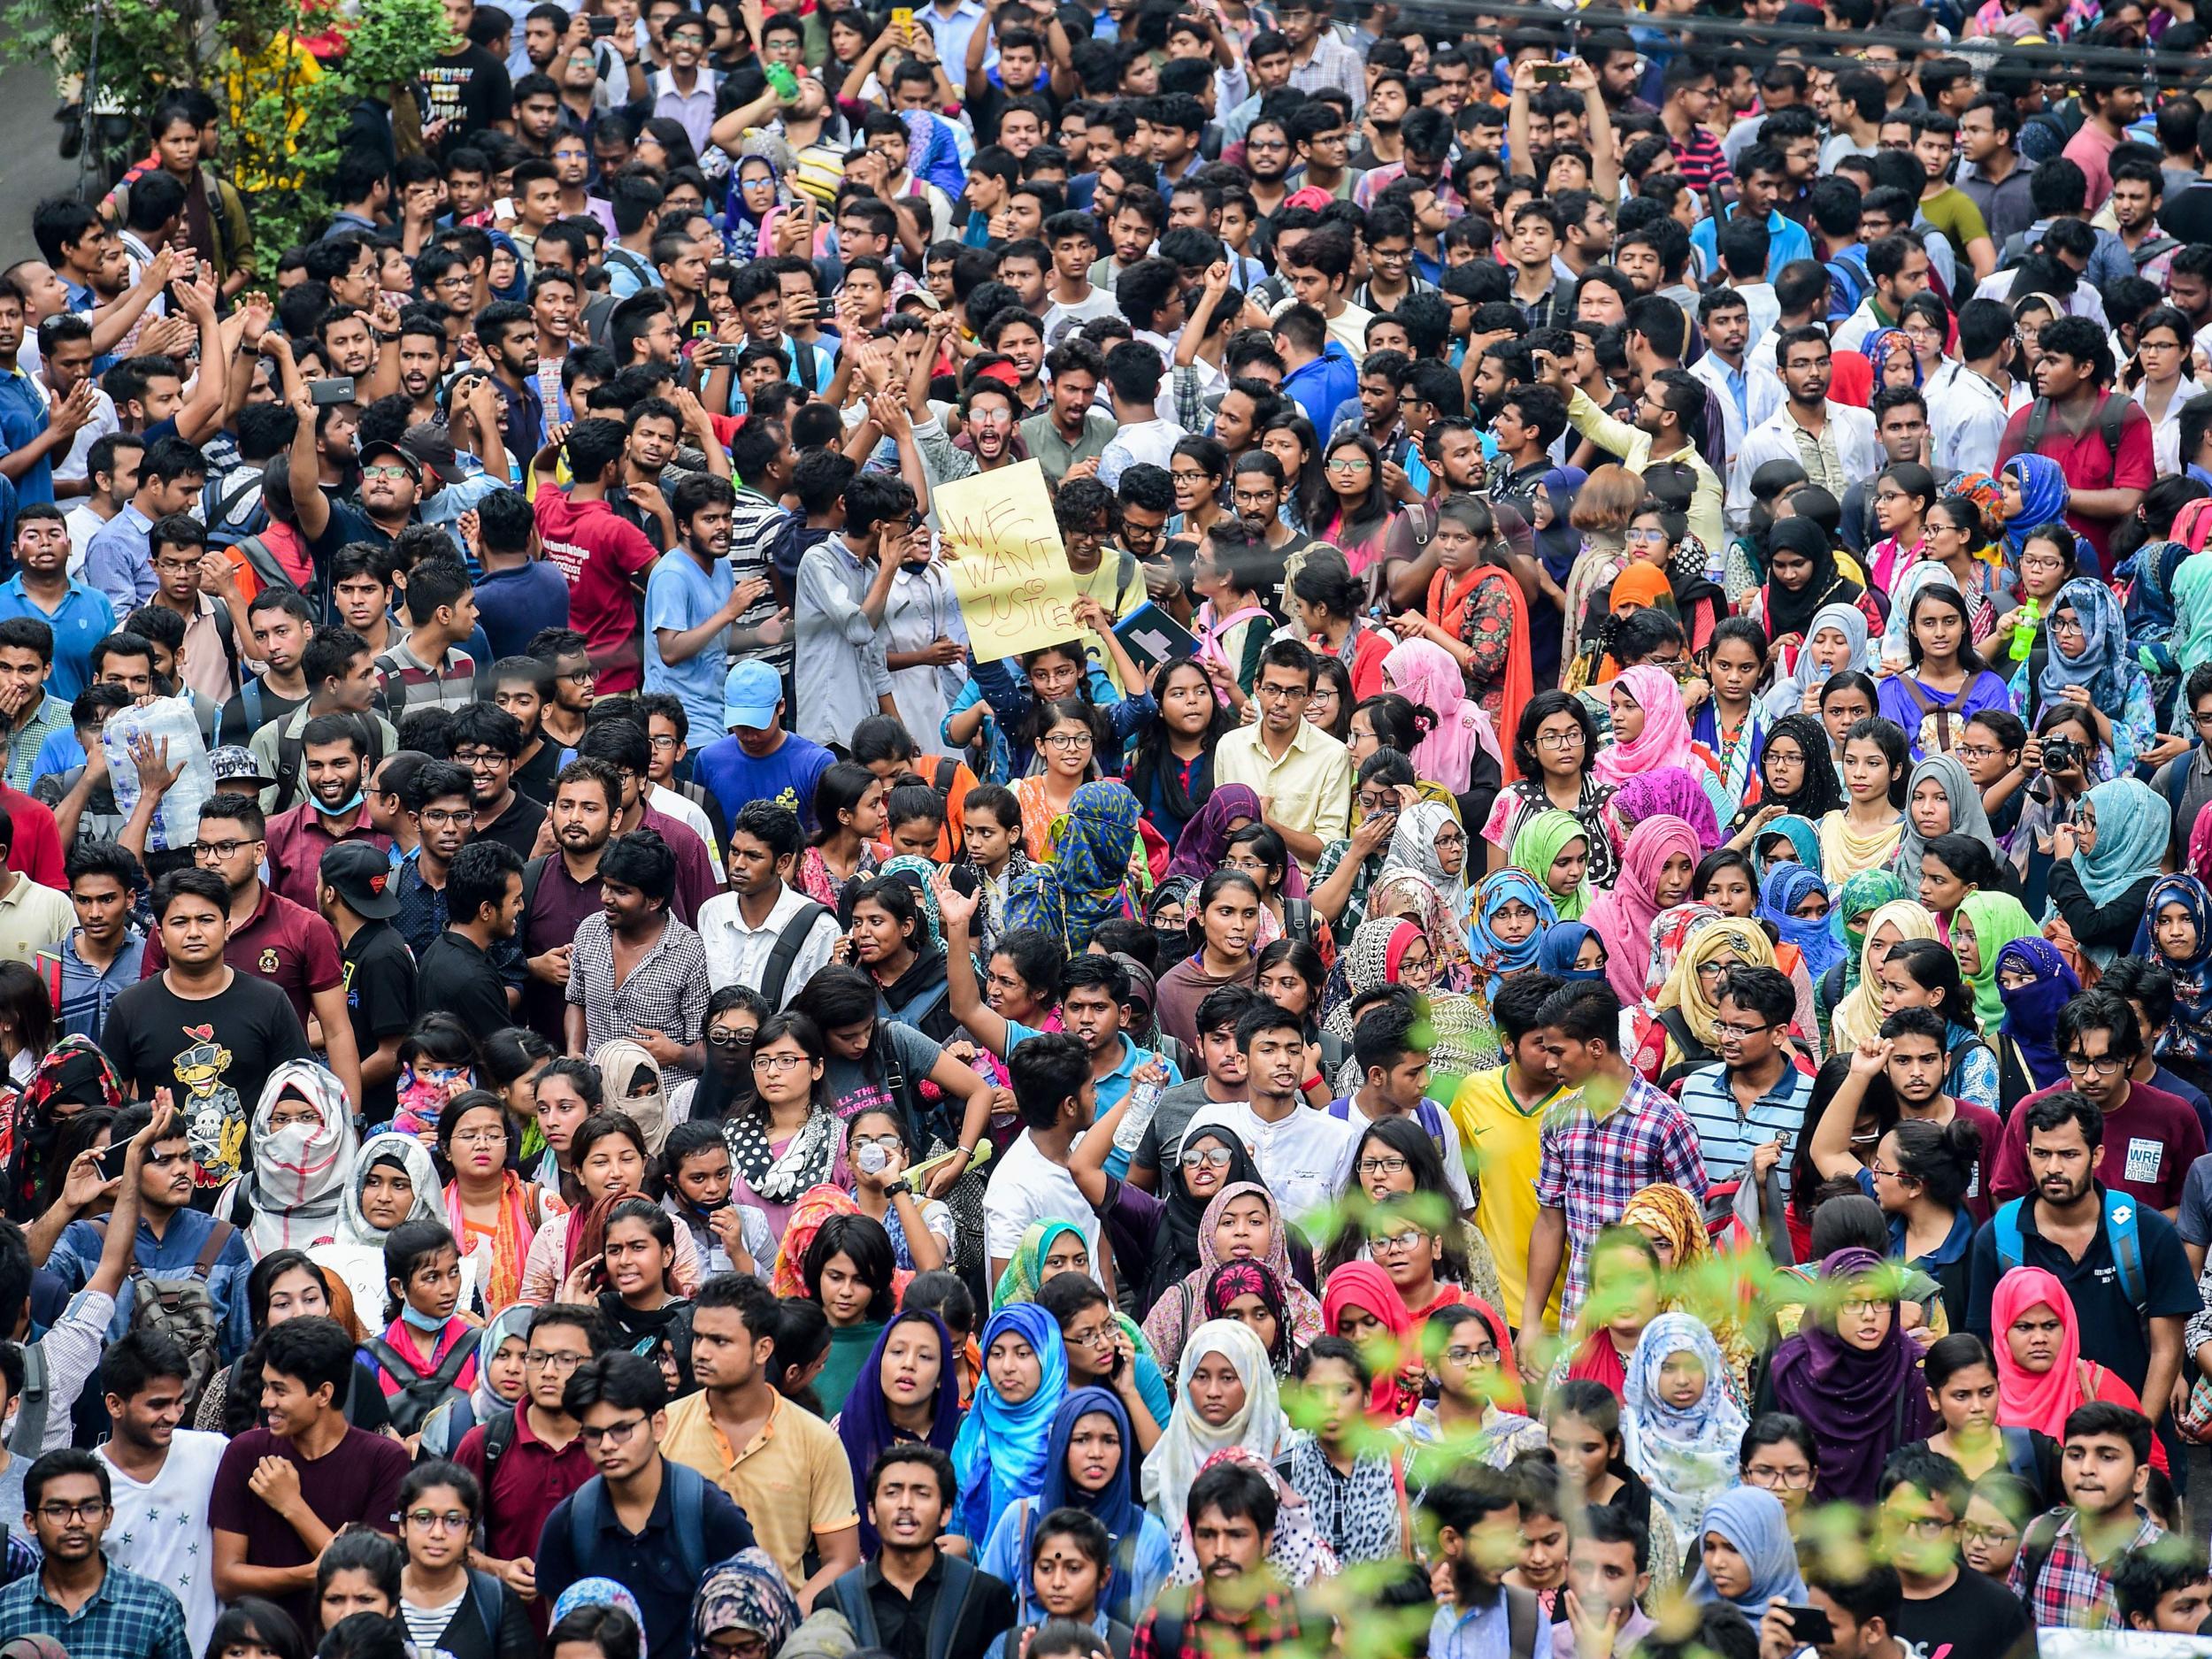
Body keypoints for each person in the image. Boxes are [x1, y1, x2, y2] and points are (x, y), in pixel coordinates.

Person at [1519, 980, 1708, 1360]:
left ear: (1595, 1048)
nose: (1550, 1063)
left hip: (1653, 1325)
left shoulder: (1665, 1122)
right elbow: (1551, 1220)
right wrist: (1531, 1321)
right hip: (1580, 1317)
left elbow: (1694, 1230)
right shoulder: (1559, 1118)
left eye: (1558, 1051)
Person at [534, 1352, 757, 1659]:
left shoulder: (709, 1514)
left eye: (622, 1429)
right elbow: (561, 1631)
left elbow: (747, 1630)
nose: (608, 1445)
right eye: (594, 1434)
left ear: (658, 1425)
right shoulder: (568, 1523)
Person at [661, 1271, 860, 1601]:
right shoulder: (665, 1427)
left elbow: (841, 1559)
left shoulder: (816, 1441)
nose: (701, 1353)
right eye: (698, 1338)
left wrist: (786, 1622)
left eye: (720, 1341)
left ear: (763, 1349)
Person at [207, 1313, 412, 1632]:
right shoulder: (245, 1454)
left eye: (280, 1390)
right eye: (265, 1387)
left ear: (323, 1394)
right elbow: (226, 1579)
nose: (266, 1401)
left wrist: (292, 1505)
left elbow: (372, 1575)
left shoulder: (385, 1460)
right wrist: (307, 1573)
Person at [96, 1328, 229, 1655]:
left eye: (179, 1402)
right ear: (115, 1404)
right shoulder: (87, 1484)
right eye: (157, 1405)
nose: (172, 1416)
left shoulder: (214, 1454)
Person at [826, 1445, 1019, 1659]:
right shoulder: (837, 1601)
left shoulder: (984, 1596)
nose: (906, 1504)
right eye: (892, 1493)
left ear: (946, 1512)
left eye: (922, 1494)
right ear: (871, 1510)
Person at [0, 1447, 192, 1659]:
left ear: (108, 1516)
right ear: (31, 1522)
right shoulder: (7, 1609)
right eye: (57, 1510)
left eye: (89, 1508)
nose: (75, 1522)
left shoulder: (154, 1607)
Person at [2010, 1402, 2166, 1629]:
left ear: (2139, 1477)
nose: (2086, 1468)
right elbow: (2015, 1631)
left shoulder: (2166, 1562)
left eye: (2107, 1457)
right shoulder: (2041, 1534)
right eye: (2075, 1455)